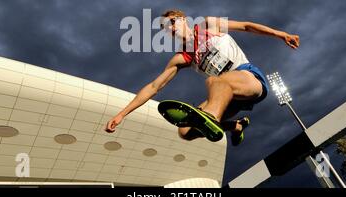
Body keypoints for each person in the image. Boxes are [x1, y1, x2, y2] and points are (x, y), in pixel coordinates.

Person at [105, 9, 300, 145]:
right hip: (227, 98)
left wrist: (281, 34)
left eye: (172, 22)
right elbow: (154, 86)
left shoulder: (208, 25)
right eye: (166, 28)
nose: (171, 28)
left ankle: (211, 117)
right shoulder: (182, 58)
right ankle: (236, 126)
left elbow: (246, 26)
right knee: (185, 131)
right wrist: (122, 114)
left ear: (183, 19)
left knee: (215, 80)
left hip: (249, 78)